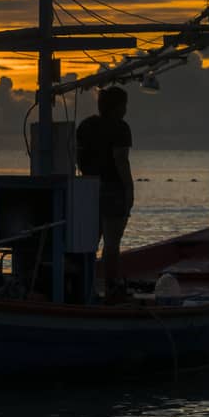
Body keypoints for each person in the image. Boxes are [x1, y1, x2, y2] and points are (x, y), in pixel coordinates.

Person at [75, 85, 134, 300]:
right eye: (124, 105)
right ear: (118, 107)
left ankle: (85, 286)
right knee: (111, 244)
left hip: (88, 187)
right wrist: (129, 188)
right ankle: (111, 288)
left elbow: (78, 158)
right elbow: (121, 160)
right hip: (113, 188)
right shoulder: (120, 128)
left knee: (89, 241)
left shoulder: (86, 126)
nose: (126, 109)